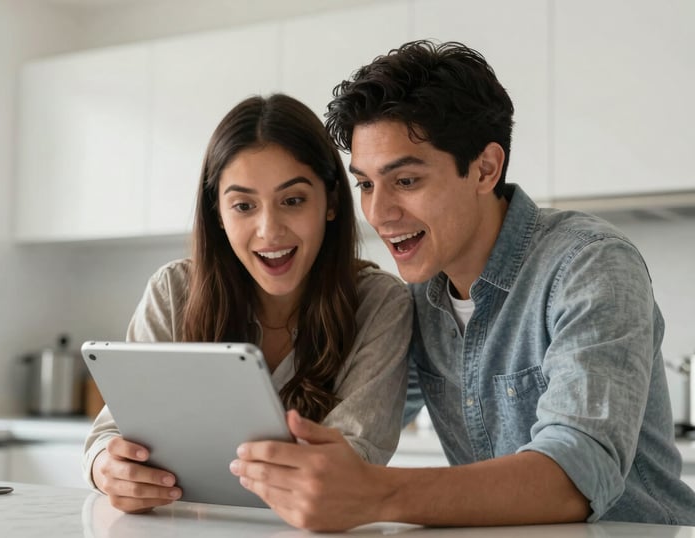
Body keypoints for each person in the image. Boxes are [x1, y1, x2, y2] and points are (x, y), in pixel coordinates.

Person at [230, 41, 695, 530]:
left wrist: (378, 495)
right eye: (365, 185)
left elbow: (577, 474)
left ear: (485, 168)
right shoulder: (415, 298)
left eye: (405, 181)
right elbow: (352, 419)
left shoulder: (589, 265)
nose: (378, 213)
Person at [82, 93, 412, 513]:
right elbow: (109, 434)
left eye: (292, 201)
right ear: (218, 213)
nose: (269, 230)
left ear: (330, 202)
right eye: (243, 206)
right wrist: (108, 467)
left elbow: (354, 459)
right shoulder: (172, 292)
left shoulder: (380, 303)